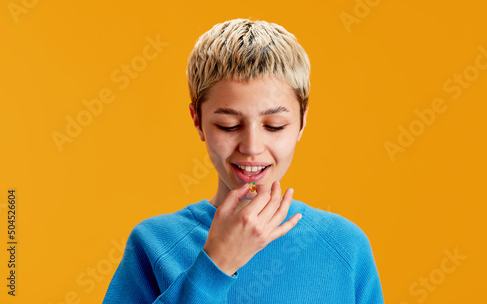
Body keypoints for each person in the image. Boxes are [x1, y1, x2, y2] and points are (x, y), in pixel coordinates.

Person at [103, 18, 384, 303]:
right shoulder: (153, 244)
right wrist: (216, 265)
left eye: (274, 125)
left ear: (302, 122)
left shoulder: (345, 246)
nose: (251, 148)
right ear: (198, 121)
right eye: (228, 125)